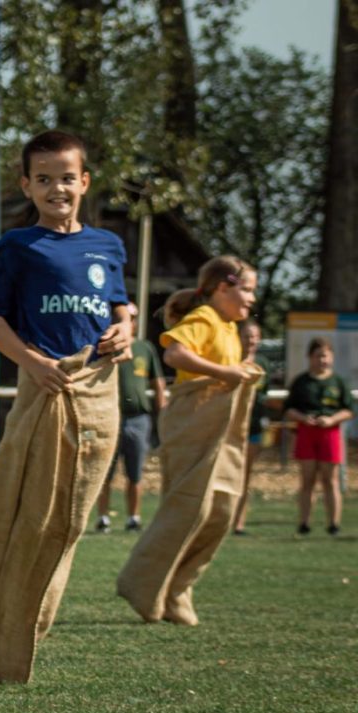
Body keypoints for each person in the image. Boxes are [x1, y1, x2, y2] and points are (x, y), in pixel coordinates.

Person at [0, 130, 132, 684]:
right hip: (44, 389)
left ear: (85, 182)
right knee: (19, 518)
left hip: (99, 395)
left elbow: (121, 308)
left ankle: (23, 637)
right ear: (26, 184)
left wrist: (126, 329)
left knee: (67, 524)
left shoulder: (108, 246)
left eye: (67, 178)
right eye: (44, 179)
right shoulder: (15, 248)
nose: (57, 189)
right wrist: (32, 361)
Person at [116, 256, 262, 625]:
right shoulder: (205, 319)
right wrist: (226, 371)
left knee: (221, 510)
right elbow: (174, 353)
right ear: (222, 288)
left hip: (218, 428)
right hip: (192, 423)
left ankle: (178, 587)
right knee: (190, 508)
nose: (252, 299)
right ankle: (143, 584)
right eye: (247, 290)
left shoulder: (228, 326)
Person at [94, 318, 166, 533]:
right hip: (110, 417)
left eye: (133, 318)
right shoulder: (104, 345)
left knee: (135, 473)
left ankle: (133, 518)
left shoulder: (144, 348)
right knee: (104, 472)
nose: (128, 322)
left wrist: (163, 416)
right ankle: (102, 518)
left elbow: (158, 383)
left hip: (139, 419)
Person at [284, 337, 354, 537]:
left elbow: (349, 409)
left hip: (330, 433)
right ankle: (304, 524)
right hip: (307, 432)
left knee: (330, 480)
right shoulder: (301, 382)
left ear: (331, 357)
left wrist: (331, 420)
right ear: (309, 357)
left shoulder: (338, 382)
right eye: (318, 355)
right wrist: (304, 418)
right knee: (307, 479)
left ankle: (334, 525)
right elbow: (288, 409)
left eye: (326, 355)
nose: (322, 360)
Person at [232, 320, 271, 535]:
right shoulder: (230, 360)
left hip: (254, 428)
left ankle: (239, 522)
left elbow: (267, 394)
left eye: (255, 336)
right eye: (247, 335)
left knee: (245, 476)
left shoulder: (263, 363)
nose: (251, 340)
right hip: (230, 427)